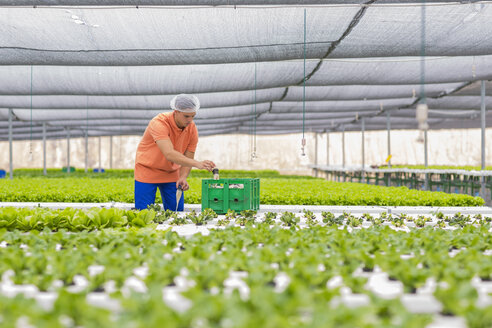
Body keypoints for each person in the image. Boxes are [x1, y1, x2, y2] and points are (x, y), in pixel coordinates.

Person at [134, 94, 215, 211]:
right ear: (176, 112)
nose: (190, 120)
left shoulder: (192, 128)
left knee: (176, 211)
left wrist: (182, 177)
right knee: (143, 214)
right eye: (186, 116)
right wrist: (197, 164)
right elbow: (169, 153)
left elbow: (189, 155)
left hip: (172, 173)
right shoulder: (159, 123)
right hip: (147, 170)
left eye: (193, 116)